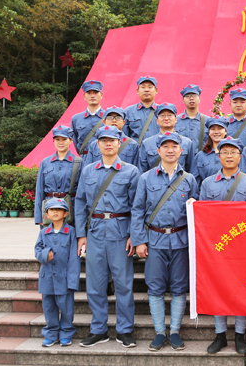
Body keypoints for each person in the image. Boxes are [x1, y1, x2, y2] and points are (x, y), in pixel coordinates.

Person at [131, 132, 199, 352]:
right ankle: (160, 332)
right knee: (155, 287)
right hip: (155, 240)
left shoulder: (189, 179)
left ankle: (175, 331)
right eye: (166, 147)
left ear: (181, 151)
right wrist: (139, 241)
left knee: (179, 287)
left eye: (174, 146)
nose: (170, 150)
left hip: (181, 240)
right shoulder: (146, 178)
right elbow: (137, 210)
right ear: (158, 151)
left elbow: (195, 211)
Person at [75, 125, 139, 348]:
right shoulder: (88, 171)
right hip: (95, 233)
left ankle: (125, 330)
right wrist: (81, 234)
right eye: (104, 140)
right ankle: (98, 329)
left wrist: (134, 235)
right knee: (95, 284)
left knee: (123, 284)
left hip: (121, 233)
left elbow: (137, 206)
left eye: (112, 140)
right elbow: (80, 203)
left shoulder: (131, 171)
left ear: (119, 143)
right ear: (98, 144)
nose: (108, 144)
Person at [198, 137, 246, 355]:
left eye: (233, 152)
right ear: (218, 156)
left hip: (243, 247)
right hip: (217, 246)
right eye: (224, 152)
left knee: (242, 289)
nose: (228, 156)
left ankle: (240, 334)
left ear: (240, 156)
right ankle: (220, 335)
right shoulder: (207, 183)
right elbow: (203, 216)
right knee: (218, 288)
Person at [34, 198, 80, 347]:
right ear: (46, 214)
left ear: (65, 213)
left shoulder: (71, 232)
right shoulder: (44, 232)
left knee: (66, 308)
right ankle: (51, 333)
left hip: (64, 278)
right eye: (51, 209)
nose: (55, 212)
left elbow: (74, 258)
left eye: (59, 209)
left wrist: (72, 280)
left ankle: (66, 333)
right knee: (49, 307)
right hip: (47, 277)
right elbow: (37, 250)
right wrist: (45, 255)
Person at [34, 126, 81, 226]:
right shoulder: (46, 162)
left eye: (64, 139)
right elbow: (39, 190)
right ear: (53, 141)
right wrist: (39, 217)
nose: (60, 142)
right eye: (57, 139)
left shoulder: (78, 162)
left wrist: (80, 218)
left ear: (71, 140)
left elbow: (82, 192)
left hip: (71, 211)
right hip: (49, 210)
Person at [138, 103, 195, 174]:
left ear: (176, 119)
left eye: (170, 115)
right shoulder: (147, 143)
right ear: (157, 121)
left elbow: (191, 170)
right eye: (162, 115)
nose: (166, 118)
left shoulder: (187, 142)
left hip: (179, 180)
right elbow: (142, 171)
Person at [190, 116, 229, 189]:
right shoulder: (200, 156)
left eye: (220, 128)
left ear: (225, 131)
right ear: (209, 132)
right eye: (213, 129)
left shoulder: (233, 154)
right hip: (206, 194)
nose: (216, 132)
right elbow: (195, 183)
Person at [70, 80, 105, 155]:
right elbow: (75, 141)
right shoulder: (76, 119)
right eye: (89, 93)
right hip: (84, 158)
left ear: (101, 95)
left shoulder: (109, 117)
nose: (92, 96)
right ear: (84, 96)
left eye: (95, 92)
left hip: (104, 158)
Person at [124, 76, 160, 145]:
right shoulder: (128, 112)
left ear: (156, 90)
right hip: (136, 150)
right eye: (143, 87)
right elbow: (124, 137)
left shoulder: (163, 111)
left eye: (150, 87)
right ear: (137, 91)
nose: (146, 90)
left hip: (157, 150)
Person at [175, 84, 210, 155]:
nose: (191, 98)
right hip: (181, 158)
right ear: (183, 100)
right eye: (187, 96)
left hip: (201, 159)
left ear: (199, 99)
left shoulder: (208, 121)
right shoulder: (175, 121)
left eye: (194, 95)